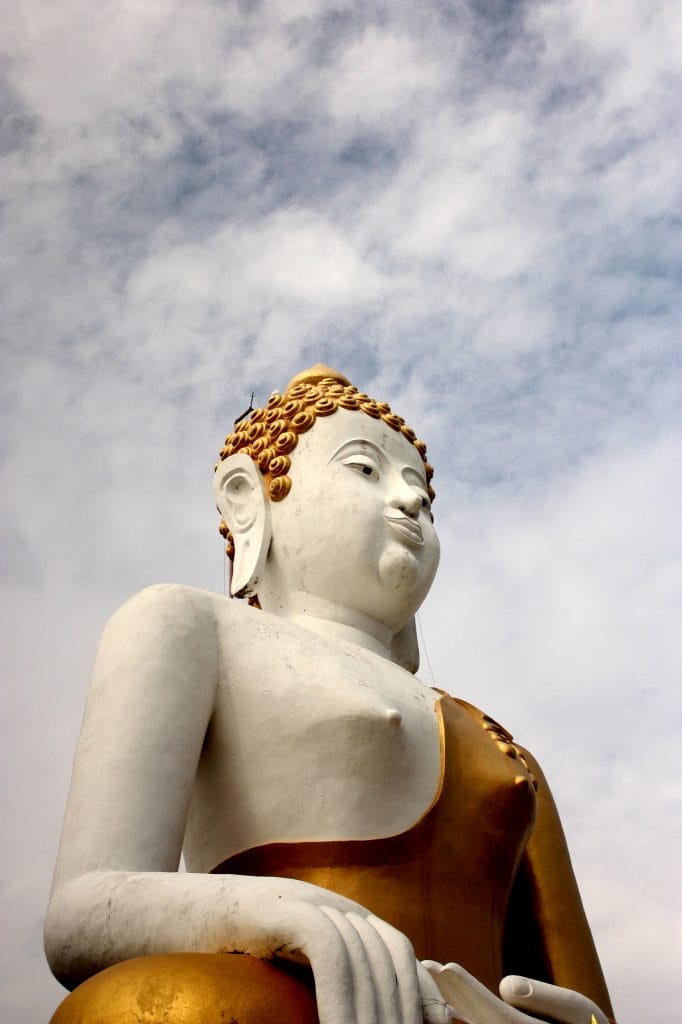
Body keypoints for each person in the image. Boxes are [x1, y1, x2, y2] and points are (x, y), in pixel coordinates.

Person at [45, 365, 615, 1024]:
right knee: (135, 1009)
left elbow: (586, 1004)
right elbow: (82, 912)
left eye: (422, 497)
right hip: (280, 1000)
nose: (408, 504)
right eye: (365, 471)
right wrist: (283, 912)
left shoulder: (502, 751)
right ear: (247, 498)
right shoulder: (188, 624)